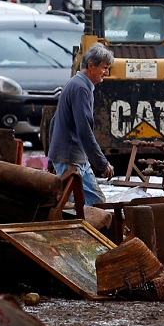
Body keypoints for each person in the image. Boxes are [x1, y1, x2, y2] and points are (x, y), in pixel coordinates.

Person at [48, 43, 116, 206]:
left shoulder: (78, 84)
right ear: (91, 66)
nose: (106, 73)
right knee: (72, 207)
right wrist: (102, 163)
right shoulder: (80, 89)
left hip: (74, 158)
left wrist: (52, 158)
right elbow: (84, 130)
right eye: (104, 68)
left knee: (93, 202)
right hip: (70, 160)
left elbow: (54, 122)